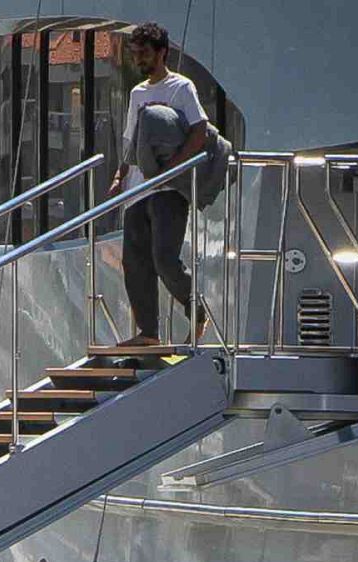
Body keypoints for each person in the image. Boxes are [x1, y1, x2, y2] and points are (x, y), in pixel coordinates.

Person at [109, 21, 210, 347]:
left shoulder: (181, 88)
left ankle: (195, 306)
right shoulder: (138, 93)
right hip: (138, 189)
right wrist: (119, 176)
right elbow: (129, 141)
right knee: (135, 262)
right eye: (135, 54)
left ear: (161, 52)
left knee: (164, 258)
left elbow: (200, 131)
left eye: (144, 54)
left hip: (169, 190)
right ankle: (148, 333)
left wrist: (174, 167)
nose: (139, 60)